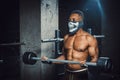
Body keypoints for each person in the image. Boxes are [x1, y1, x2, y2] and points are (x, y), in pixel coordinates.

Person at [41, 10, 99, 80]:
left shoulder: (89, 38)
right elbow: (64, 56)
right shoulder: (66, 37)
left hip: (81, 74)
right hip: (67, 74)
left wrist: (87, 64)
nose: (70, 24)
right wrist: (50, 60)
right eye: (69, 21)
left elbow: (94, 58)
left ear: (81, 23)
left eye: (74, 21)